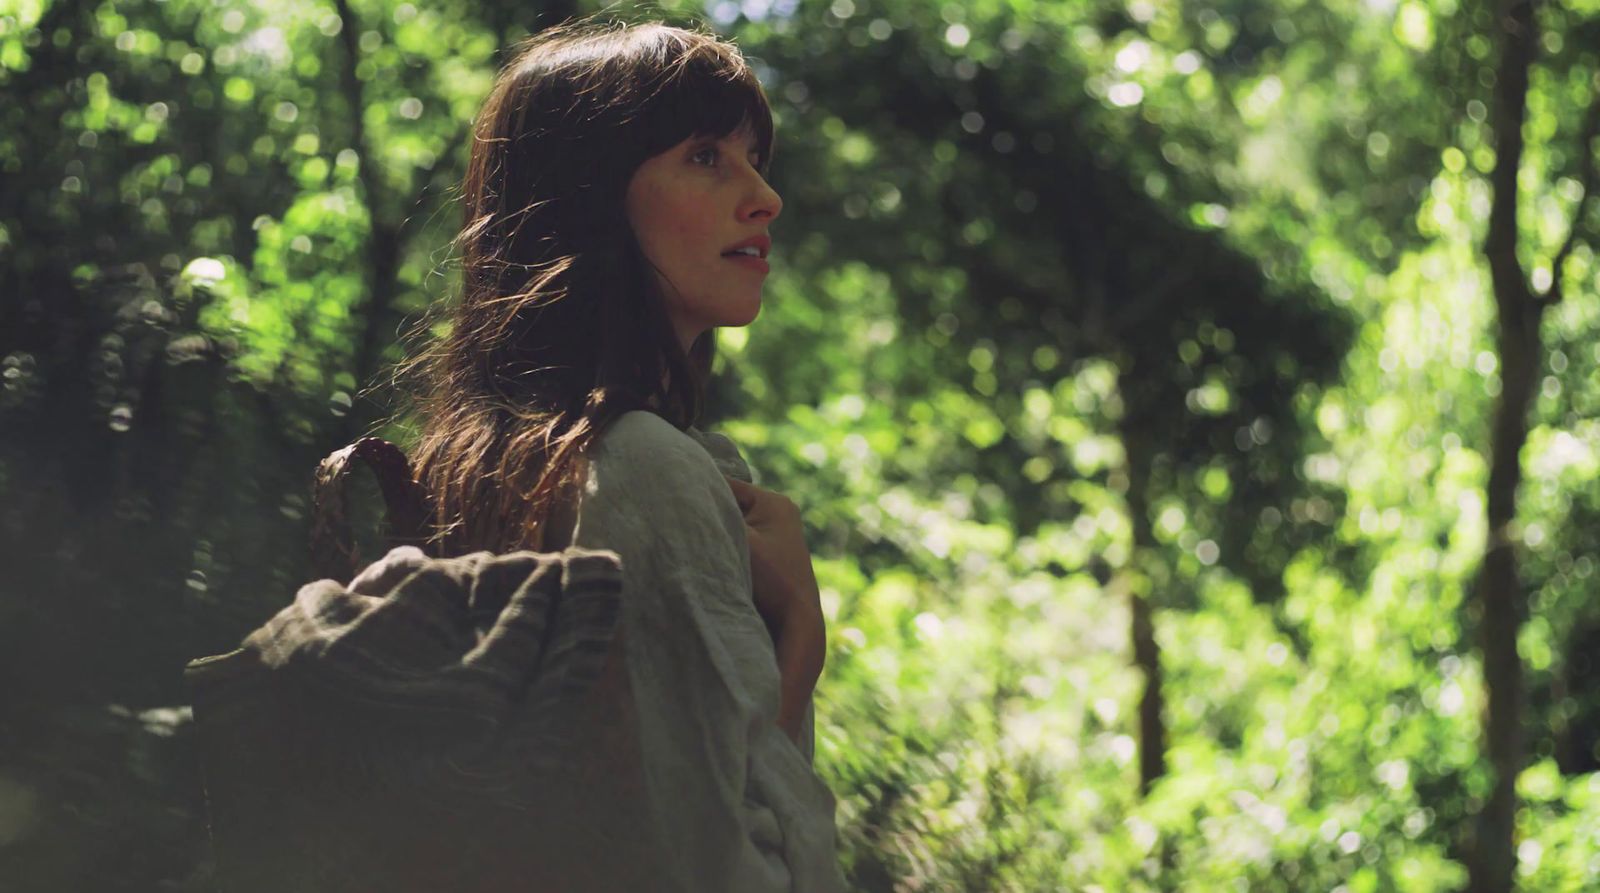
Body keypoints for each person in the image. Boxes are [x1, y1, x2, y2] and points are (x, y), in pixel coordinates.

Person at [387, 15, 846, 892]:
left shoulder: (490, 459)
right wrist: (800, 641)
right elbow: (717, 864)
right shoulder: (639, 469)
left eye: (755, 157)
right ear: (591, 198)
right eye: (707, 156)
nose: (764, 197)